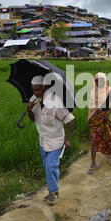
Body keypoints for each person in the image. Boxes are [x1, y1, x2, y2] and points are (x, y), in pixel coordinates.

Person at [27, 76, 75, 205]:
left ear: (45, 88)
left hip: (56, 141)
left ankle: (53, 193)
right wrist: (29, 109)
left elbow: (70, 122)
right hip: (43, 140)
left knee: (50, 166)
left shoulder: (55, 102)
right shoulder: (33, 100)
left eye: (38, 89)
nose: (36, 92)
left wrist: (68, 139)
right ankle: (54, 190)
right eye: (34, 90)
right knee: (49, 167)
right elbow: (32, 119)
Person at [87, 73, 111, 175]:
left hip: (105, 119)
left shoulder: (109, 90)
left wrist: (107, 113)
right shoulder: (93, 91)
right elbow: (91, 108)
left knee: (107, 136)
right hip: (94, 120)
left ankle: (109, 151)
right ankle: (93, 163)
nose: (99, 82)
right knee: (93, 140)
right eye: (97, 80)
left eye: (101, 80)